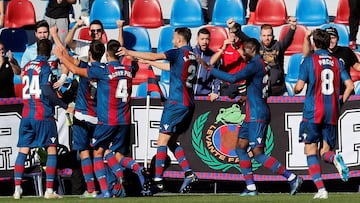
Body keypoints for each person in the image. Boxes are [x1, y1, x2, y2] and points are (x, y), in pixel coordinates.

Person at [207, 38, 303, 196]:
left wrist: (210, 69)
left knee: (258, 154)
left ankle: (292, 178)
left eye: (244, 50)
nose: (242, 54)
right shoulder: (263, 64)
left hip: (257, 114)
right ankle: (251, 187)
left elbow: (232, 78)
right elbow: (259, 85)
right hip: (252, 112)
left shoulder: (254, 64)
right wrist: (248, 96)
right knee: (240, 148)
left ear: (250, 50)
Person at [55, 39, 149, 198]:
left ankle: (104, 190)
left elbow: (75, 70)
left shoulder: (104, 70)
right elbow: (134, 65)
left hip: (107, 119)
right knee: (114, 153)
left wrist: (61, 56)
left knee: (96, 153)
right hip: (125, 120)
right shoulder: (128, 70)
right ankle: (136, 170)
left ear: (106, 54)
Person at [118, 27, 199, 194]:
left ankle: (157, 180)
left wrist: (129, 52)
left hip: (176, 102)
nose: (172, 40)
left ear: (179, 39)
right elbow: (172, 69)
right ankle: (189, 173)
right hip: (189, 103)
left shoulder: (177, 52)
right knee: (171, 141)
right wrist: (150, 64)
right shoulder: (192, 55)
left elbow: (155, 54)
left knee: (161, 141)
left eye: (174, 37)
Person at [293, 29, 354, 199]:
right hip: (332, 111)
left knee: (310, 150)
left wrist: (296, 88)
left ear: (314, 43)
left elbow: (298, 88)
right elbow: (350, 86)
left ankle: (321, 190)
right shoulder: (336, 62)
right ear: (328, 43)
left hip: (313, 111)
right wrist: (340, 103)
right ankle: (333, 157)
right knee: (324, 151)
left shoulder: (309, 60)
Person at [13, 39, 74, 199]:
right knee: (51, 148)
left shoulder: (26, 67)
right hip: (42, 114)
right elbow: (46, 91)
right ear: (49, 52)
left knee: (23, 150)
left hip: (26, 114)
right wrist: (64, 105)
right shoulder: (45, 67)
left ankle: (17, 188)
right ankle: (49, 191)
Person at [303, 27, 360, 94]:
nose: (331, 41)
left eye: (333, 38)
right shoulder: (318, 52)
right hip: (324, 94)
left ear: (338, 39)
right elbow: (306, 55)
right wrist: (307, 38)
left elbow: (357, 66)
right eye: (328, 38)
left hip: (344, 93)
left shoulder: (346, 51)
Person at [210, 18, 249, 99]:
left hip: (241, 85)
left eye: (235, 33)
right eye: (231, 33)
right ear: (228, 33)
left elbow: (246, 58)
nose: (233, 35)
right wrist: (223, 49)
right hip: (227, 84)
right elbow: (212, 62)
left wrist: (237, 47)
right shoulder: (225, 45)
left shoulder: (245, 45)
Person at [259, 17, 297, 95]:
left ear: (273, 36)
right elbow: (246, 40)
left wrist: (292, 28)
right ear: (260, 37)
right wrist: (235, 29)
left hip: (278, 87)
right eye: (264, 36)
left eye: (269, 35)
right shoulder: (257, 47)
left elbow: (287, 40)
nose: (267, 38)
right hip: (262, 86)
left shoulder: (278, 46)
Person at [193, 27, 220, 100]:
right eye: (202, 39)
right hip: (189, 95)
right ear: (197, 39)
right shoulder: (191, 53)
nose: (204, 42)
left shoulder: (214, 56)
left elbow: (217, 77)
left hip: (205, 97)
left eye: (207, 39)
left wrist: (215, 92)